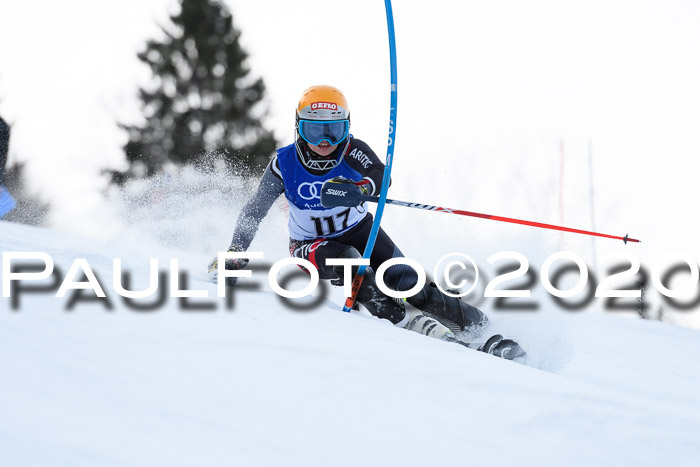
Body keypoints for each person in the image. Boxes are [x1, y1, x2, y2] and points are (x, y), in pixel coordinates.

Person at [209, 85, 522, 359]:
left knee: (407, 281)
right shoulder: (284, 163)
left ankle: (482, 329)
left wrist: (360, 189)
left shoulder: (352, 149)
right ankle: (407, 324)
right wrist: (236, 250)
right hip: (310, 245)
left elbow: (379, 174)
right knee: (350, 264)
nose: (325, 140)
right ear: (298, 129)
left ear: (346, 127)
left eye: (334, 130)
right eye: (313, 131)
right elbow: (254, 210)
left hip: (359, 229)